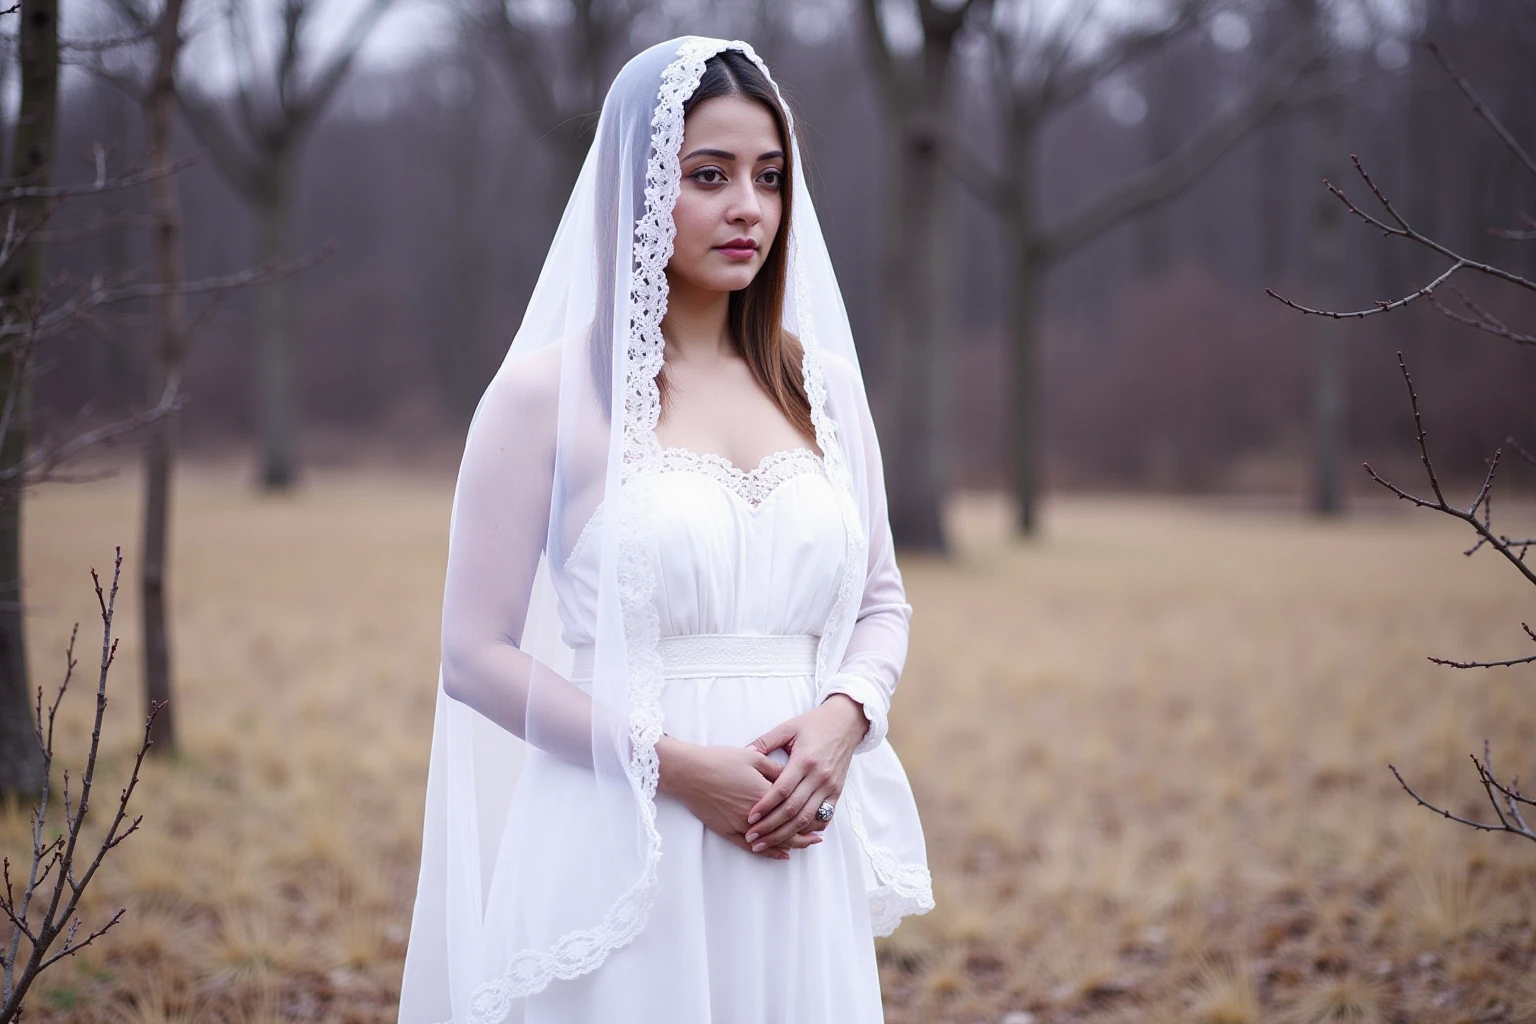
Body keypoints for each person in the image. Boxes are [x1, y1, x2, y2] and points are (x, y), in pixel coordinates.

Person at [397, 35, 932, 1024]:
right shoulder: (548, 393)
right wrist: (679, 769)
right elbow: (473, 655)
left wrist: (842, 718)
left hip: (795, 842)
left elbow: (882, 599)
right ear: (637, 190)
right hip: (620, 840)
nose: (748, 208)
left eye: (769, 178)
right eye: (708, 174)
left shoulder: (823, 390)